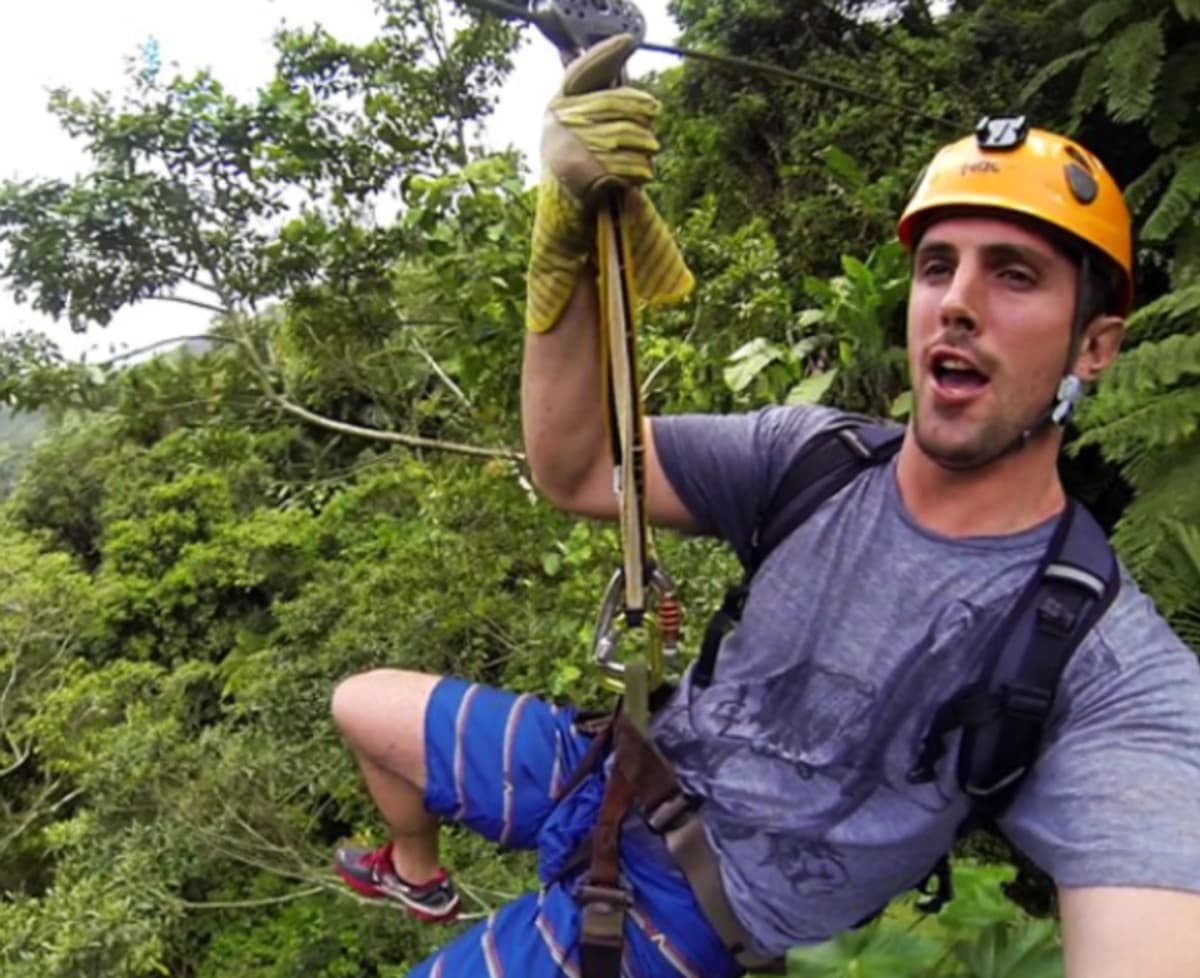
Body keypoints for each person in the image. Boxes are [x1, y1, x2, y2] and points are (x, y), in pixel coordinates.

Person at [330, 35, 1200, 978]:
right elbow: (580, 469)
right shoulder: (814, 459)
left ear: (1096, 347)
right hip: (620, 773)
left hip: (681, 917)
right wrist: (570, 243)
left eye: (1015, 275)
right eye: (937, 265)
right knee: (362, 703)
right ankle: (415, 874)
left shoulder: (1100, 662)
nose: (956, 302)